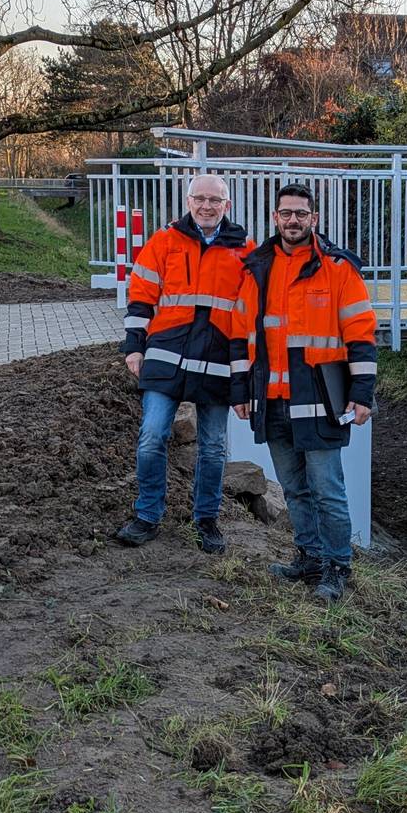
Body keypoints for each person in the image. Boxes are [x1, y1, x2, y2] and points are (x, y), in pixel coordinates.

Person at [231, 182, 377, 601]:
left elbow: (362, 335)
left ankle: (337, 567)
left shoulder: (336, 268)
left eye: (301, 213)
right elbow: (241, 337)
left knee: (328, 489)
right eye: (285, 213)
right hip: (272, 401)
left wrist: (362, 393)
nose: (292, 220)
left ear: (313, 219)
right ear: (274, 218)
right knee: (294, 488)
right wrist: (242, 391)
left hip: (318, 401)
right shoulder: (257, 267)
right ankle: (310, 559)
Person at [117, 174, 255, 554]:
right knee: (152, 436)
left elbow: (253, 313)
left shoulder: (246, 249)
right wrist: (134, 346)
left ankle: (206, 520)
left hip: (217, 356)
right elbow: (141, 295)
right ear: (188, 200)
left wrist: (249, 366)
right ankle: (147, 516)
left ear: (227, 205)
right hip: (167, 353)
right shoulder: (164, 241)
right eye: (200, 198)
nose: (207, 206)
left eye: (215, 200)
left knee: (212, 447)